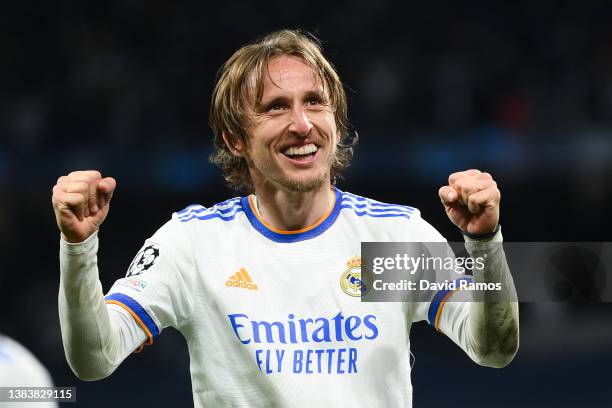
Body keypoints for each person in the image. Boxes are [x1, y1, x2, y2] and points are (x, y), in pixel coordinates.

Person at [52, 29, 518, 407]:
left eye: (315, 102)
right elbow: (95, 359)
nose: (302, 124)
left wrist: (485, 245)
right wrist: (78, 249)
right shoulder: (194, 246)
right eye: (277, 107)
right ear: (236, 138)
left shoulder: (388, 240)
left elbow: (494, 349)